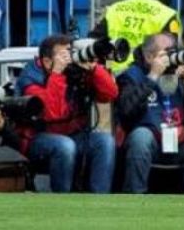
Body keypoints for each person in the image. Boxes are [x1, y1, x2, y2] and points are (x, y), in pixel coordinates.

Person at [116, 32, 184, 195]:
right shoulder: (132, 75)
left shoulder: (180, 73)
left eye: (174, 51)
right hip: (150, 143)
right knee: (141, 136)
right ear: (149, 57)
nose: (172, 56)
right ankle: (135, 198)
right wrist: (152, 76)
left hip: (181, 142)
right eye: (167, 52)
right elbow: (126, 110)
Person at [15, 35, 117, 193]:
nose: (69, 59)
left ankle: (100, 200)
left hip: (74, 134)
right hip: (39, 138)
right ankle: (63, 200)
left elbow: (110, 94)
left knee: (104, 141)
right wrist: (57, 74)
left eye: (70, 53)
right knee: (65, 146)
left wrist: (94, 69)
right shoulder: (31, 78)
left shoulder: (73, 71)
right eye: (63, 56)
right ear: (47, 61)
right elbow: (52, 113)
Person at [90, 0, 181, 71]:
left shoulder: (115, 8)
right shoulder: (168, 15)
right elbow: (171, 55)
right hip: (146, 79)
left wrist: (109, 67)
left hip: (112, 76)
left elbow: (95, 42)